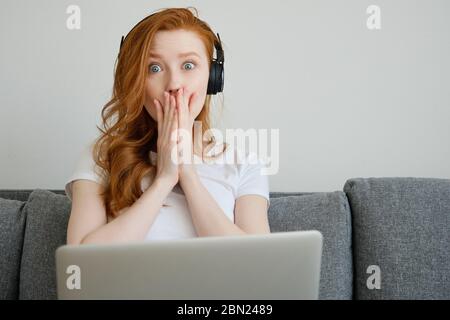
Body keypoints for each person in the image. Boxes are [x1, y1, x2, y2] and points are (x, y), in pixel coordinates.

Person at [65, 7, 270, 245]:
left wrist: (188, 174)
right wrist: (164, 180)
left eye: (189, 65)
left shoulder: (246, 165)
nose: (174, 83)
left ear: (213, 77)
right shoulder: (101, 156)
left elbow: (256, 264)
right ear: (135, 83)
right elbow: (80, 265)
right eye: (154, 68)